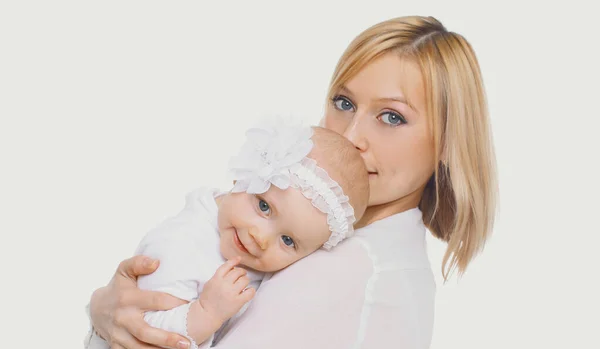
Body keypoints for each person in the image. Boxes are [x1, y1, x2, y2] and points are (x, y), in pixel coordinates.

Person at [86, 15, 497, 349]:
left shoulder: (348, 272)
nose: (351, 137)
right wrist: (106, 311)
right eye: (344, 103)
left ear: (447, 141)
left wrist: (109, 326)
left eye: (391, 117)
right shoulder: (320, 235)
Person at [87, 122, 369, 349]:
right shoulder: (181, 244)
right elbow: (140, 332)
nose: (261, 238)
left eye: (288, 241)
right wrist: (206, 313)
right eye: (263, 206)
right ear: (243, 177)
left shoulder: (261, 262)